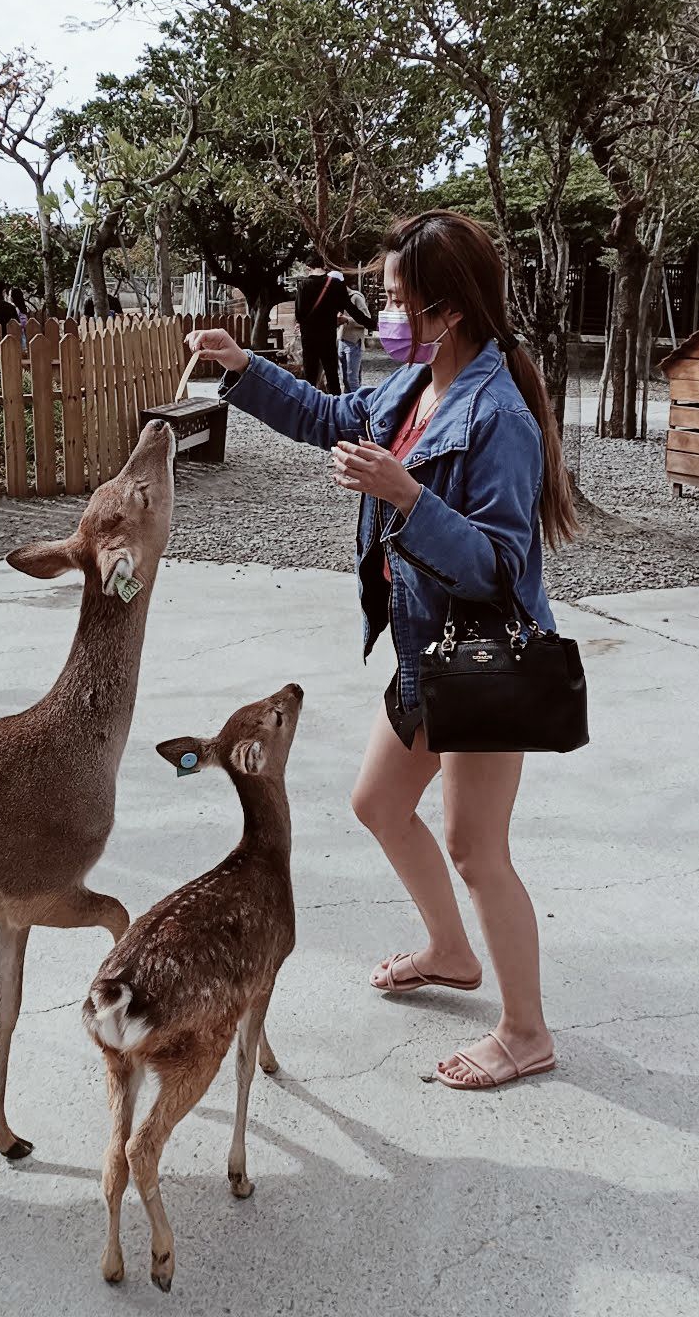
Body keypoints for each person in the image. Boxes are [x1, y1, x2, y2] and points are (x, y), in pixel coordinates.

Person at [187, 210, 577, 1091]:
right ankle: (449, 951)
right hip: (424, 650)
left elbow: (501, 569)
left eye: (397, 300)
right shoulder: (412, 384)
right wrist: (245, 368)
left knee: (477, 848)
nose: (385, 314)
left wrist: (407, 499)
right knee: (376, 803)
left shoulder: (498, 417)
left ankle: (526, 1033)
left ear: (449, 309)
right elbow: (332, 413)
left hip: (490, 657)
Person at [294, 262, 355, 394]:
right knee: (332, 373)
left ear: (308, 268)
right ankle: (336, 405)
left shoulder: (303, 285)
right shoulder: (334, 287)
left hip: (309, 337)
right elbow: (341, 308)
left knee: (310, 374)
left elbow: (299, 313)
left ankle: (309, 403)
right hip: (328, 335)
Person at [336, 274, 374, 392]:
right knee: (345, 379)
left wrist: (347, 320)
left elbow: (367, 319)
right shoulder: (338, 298)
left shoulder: (356, 297)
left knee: (352, 380)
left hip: (353, 341)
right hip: (341, 339)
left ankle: (357, 405)